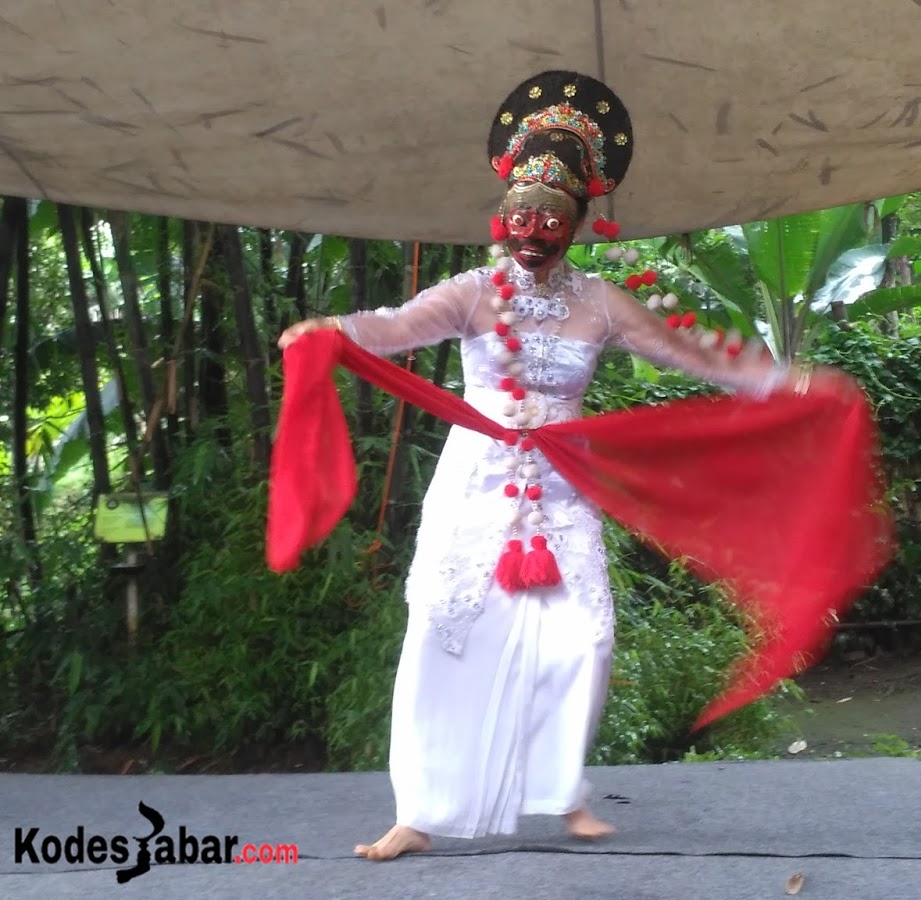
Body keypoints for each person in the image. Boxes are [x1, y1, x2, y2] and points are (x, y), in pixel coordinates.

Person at [276, 70, 847, 862]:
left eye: (551, 218)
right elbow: (393, 327)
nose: (534, 229)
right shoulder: (473, 292)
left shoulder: (603, 302)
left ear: (577, 224)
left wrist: (792, 382)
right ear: (502, 216)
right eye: (521, 214)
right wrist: (326, 328)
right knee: (442, 631)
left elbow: (689, 353)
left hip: (562, 485)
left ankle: (559, 789)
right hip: (479, 476)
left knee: (585, 639)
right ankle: (419, 810)